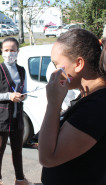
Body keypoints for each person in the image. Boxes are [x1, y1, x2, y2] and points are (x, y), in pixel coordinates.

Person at [38, 28, 106, 185]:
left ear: (78, 64)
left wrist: (53, 103)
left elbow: (48, 158)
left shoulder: (96, 106)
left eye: (56, 64)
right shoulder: (88, 97)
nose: (54, 71)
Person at [0, 37, 33, 185]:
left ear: (17, 52)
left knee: (17, 150)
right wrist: (9, 96)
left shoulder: (21, 70)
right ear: (1, 51)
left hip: (17, 117)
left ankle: (19, 179)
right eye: (6, 50)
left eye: (12, 50)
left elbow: (24, 91)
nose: (9, 53)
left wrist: (23, 96)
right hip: (0, 117)